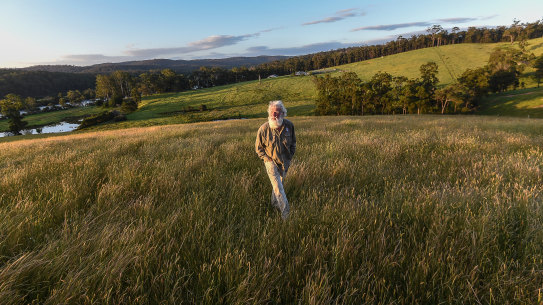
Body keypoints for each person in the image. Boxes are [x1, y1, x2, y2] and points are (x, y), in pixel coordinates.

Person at [255, 100, 296, 219]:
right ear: (269, 113)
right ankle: (286, 215)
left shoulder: (289, 126)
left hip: (285, 163)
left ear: (283, 113)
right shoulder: (263, 129)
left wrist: (290, 156)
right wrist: (267, 159)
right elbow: (258, 148)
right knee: (279, 188)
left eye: (277, 112)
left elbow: (293, 143)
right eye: (272, 112)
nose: (274, 115)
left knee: (279, 185)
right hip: (270, 162)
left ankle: (273, 205)